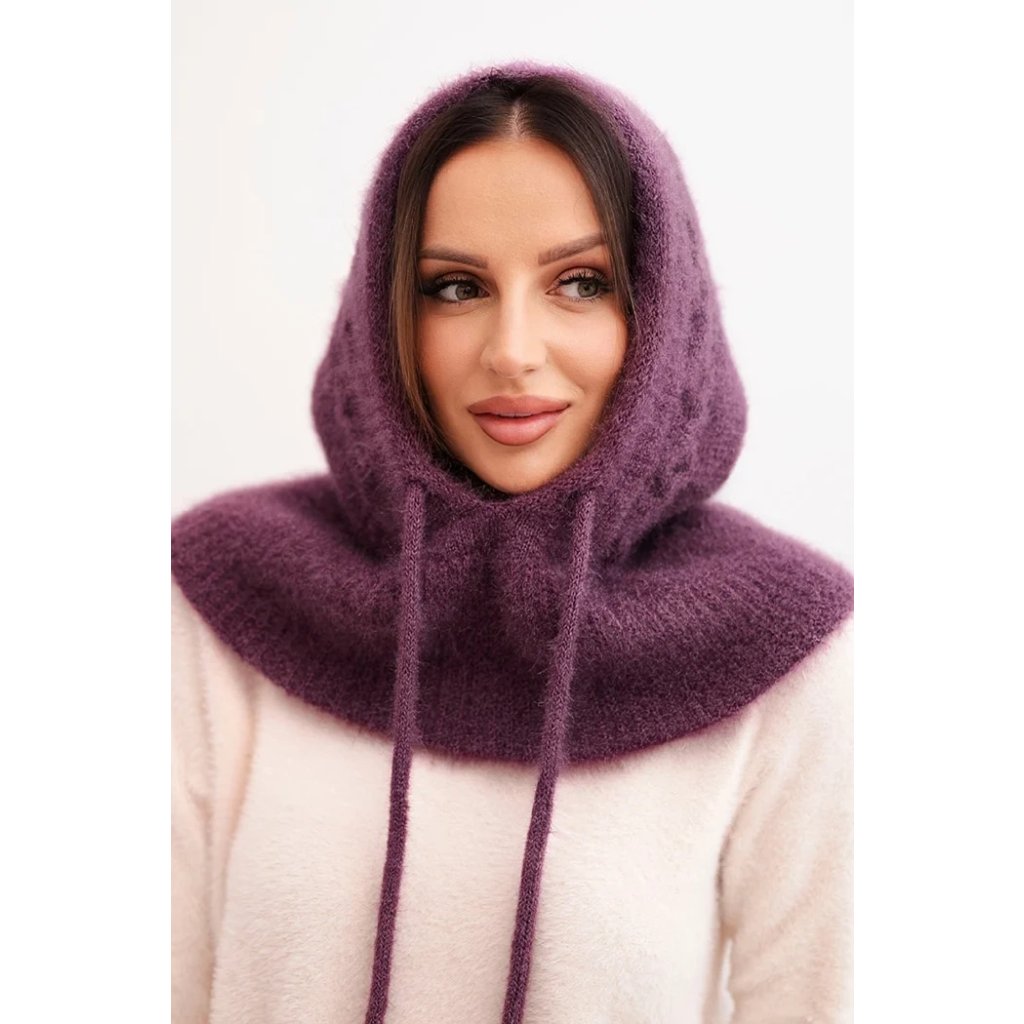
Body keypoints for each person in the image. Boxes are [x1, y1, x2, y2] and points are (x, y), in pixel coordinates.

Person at [171, 59, 854, 1024]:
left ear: (663, 310)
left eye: (580, 282)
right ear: (384, 314)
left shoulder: (786, 647)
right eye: (455, 288)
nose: (513, 351)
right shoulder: (220, 599)